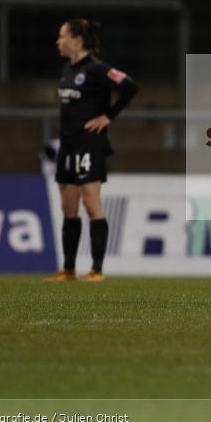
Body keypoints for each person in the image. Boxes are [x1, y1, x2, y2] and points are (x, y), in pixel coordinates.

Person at [45, 19, 139, 282]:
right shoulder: (66, 69)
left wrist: (107, 117)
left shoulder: (96, 69)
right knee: (68, 209)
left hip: (89, 146)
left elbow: (130, 87)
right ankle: (69, 269)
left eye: (62, 36)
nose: (58, 41)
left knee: (91, 203)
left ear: (77, 40)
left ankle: (97, 270)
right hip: (68, 147)